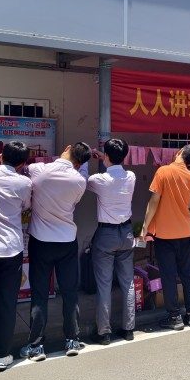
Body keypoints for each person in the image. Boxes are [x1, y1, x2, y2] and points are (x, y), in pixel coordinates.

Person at [19, 143, 90, 362]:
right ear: (80, 163)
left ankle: (36, 345)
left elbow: (25, 171)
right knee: (69, 292)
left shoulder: (39, 170)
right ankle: (72, 339)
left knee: (39, 293)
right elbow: (75, 200)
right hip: (67, 240)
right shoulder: (79, 181)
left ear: (67, 148)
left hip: (41, 241)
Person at [0, 140, 32, 372]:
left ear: (0, 156)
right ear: (23, 163)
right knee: (7, 302)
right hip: (12, 247)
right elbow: (25, 206)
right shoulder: (24, 183)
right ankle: (1, 355)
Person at [140, 145, 190, 331]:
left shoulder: (163, 171)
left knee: (168, 275)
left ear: (180, 152)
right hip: (185, 231)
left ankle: (174, 317)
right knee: (188, 274)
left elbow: (154, 201)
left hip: (165, 234)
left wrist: (145, 227)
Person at [87, 138, 137, 344]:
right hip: (126, 233)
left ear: (106, 156)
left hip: (106, 235)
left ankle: (104, 332)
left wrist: (91, 159)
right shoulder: (131, 176)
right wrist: (105, 158)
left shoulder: (98, 180)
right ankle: (128, 329)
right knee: (128, 283)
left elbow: (84, 181)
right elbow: (115, 170)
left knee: (104, 284)